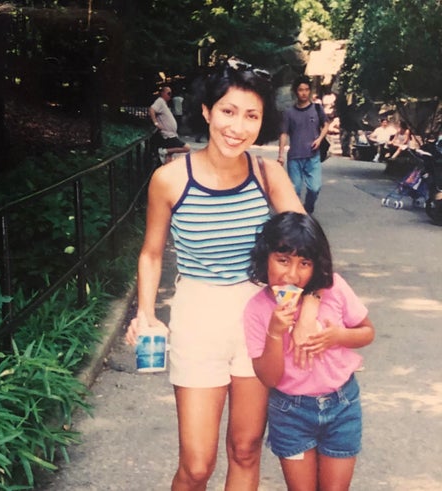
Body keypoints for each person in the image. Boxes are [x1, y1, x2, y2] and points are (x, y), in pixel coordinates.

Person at [126, 59, 320, 491]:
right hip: (198, 315)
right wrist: (145, 313)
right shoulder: (171, 179)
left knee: (246, 449)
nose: (238, 126)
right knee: (196, 467)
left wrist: (310, 307)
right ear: (208, 112)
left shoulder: (267, 173)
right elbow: (152, 253)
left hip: (259, 318)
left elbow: (309, 245)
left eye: (251, 115)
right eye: (228, 111)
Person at [244, 212, 375, 491]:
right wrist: (275, 332)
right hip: (290, 412)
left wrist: (338, 336)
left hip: (343, 405)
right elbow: (269, 378)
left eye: (304, 263)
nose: (292, 274)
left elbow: (367, 331)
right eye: (282, 260)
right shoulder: (257, 309)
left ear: (317, 266)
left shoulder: (334, 288)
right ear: (265, 257)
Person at [278, 76, 330, 214]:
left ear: (310, 91)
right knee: (294, 190)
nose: (304, 93)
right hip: (295, 157)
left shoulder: (317, 109)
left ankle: (308, 208)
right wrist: (281, 154)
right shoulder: (289, 113)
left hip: (313, 156)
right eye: (301, 90)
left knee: (315, 188)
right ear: (296, 92)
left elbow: (326, 125)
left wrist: (319, 139)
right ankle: (297, 216)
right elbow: (283, 133)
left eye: (307, 89)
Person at [149, 86, 191, 164]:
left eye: (171, 93)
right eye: (168, 93)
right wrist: (156, 123)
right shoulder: (160, 101)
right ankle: (162, 151)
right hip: (168, 135)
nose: (170, 95)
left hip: (171, 134)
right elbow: (151, 109)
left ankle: (166, 169)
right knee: (187, 148)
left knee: (169, 156)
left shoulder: (164, 103)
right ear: (162, 93)